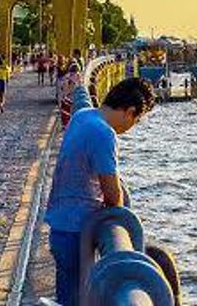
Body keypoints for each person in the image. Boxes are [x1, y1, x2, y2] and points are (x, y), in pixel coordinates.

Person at [45, 77, 157, 306]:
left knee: (66, 294)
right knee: (77, 298)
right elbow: (112, 195)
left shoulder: (82, 116)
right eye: (136, 120)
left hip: (60, 223)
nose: (131, 127)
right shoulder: (104, 134)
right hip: (78, 230)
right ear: (130, 112)